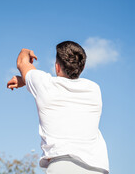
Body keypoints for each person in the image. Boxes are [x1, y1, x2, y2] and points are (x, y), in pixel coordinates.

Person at [7, 41, 109, 174]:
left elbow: (22, 62)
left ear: (57, 67)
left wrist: (26, 51)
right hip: (96, 167)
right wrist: (25, 81)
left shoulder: (44, 85)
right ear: (82, 67)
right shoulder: (94, 89)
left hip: (62, 166)